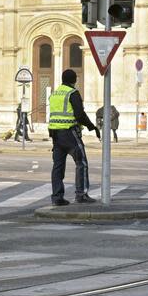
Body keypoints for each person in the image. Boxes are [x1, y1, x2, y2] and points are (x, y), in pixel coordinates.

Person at [48, 69, 101, 206]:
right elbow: (79, 114)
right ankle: (81, 194)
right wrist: (92, 127)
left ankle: (57, 197)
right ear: (74, 80)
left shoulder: (55, 94)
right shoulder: (72, 93)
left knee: (58, 166)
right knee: (81, 163)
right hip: (70, 133)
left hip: (55, 135)